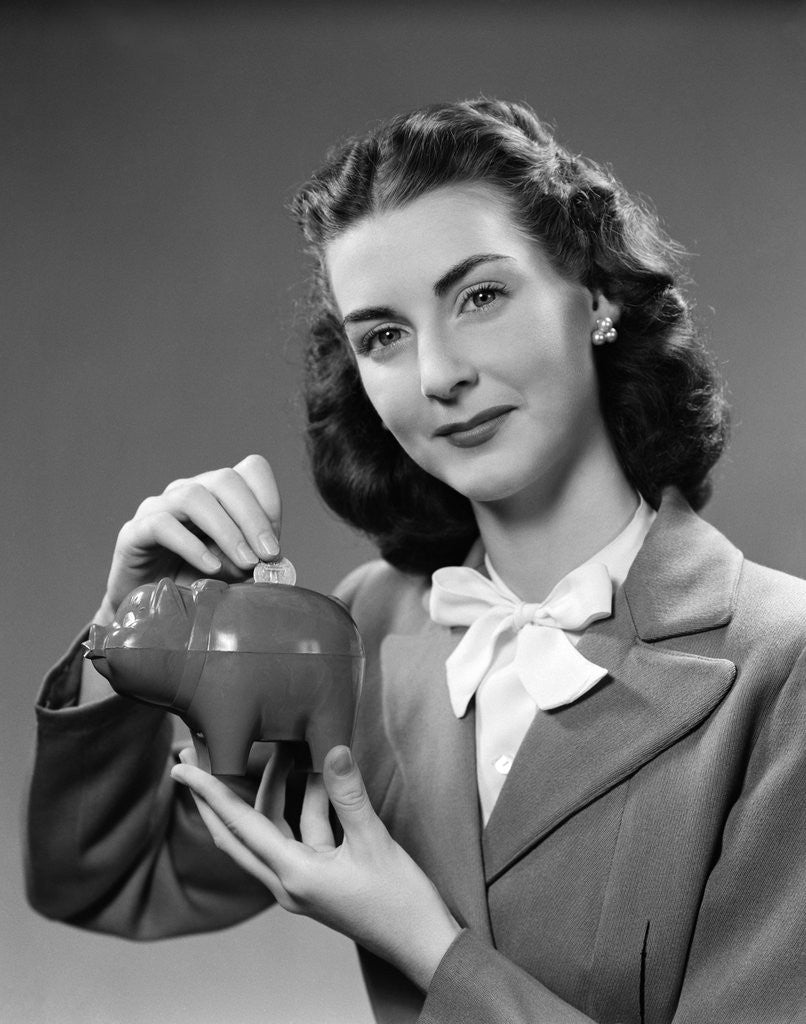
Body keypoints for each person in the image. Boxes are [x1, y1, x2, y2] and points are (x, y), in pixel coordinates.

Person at [25, 99, 806, 1023]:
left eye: (479, 296)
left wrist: (426, 947)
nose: (438, 373)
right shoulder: (366, 629)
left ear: (596, 296)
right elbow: (110, 883)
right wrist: (130, 627)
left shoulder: (778, 661)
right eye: (383, 336)